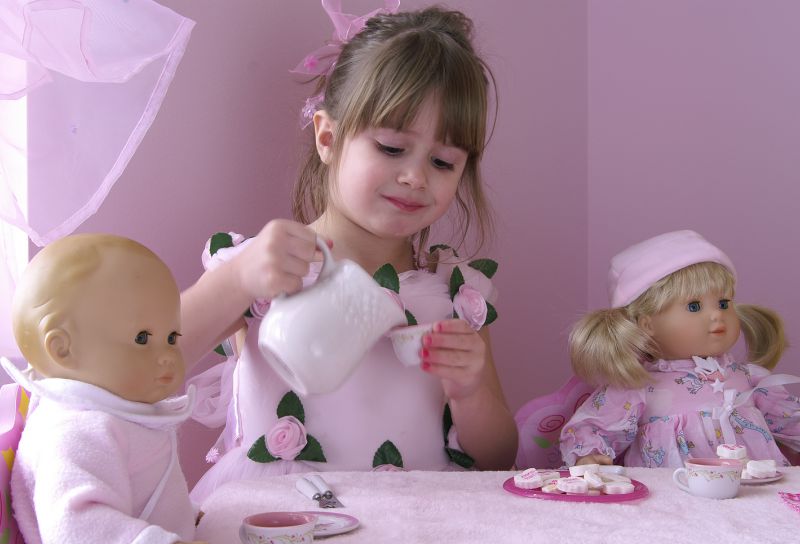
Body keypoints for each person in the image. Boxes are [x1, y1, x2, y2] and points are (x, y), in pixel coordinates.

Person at [182, 3, 518, 503]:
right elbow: (148, 361)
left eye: (443, 162)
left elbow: (498, 459)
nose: (415, 177)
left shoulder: (456, 294)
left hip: (417, 524)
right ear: (328, 138)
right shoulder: (265, 265)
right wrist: (238, 280)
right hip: (280, 519)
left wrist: (471, 394)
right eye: (391, 148)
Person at [2, 234, 216, 544]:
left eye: (171, 337)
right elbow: (74, 523)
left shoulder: (114, 412)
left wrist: (177, 513)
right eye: (143, 338)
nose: (167, 354)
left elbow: (132, 484)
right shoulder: (75, 429)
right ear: (63, 348)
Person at [559, 229, 800, 468]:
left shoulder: (750, 378)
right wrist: (590, 456)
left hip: (753, 489)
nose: (717, 314)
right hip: (672, 490)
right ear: (647, 324)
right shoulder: (638, 386)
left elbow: (790, 421)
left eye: (723, 303)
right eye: (694, 306)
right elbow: (593, 428)